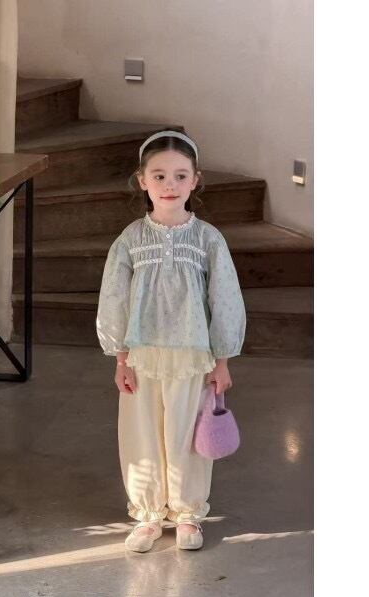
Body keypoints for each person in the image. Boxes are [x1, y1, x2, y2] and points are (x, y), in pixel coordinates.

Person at [96, 130, 246, 553]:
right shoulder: (130, 239)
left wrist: (222, 360)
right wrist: (120, 358)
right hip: (142, 355)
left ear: (195, 180)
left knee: (185, 434)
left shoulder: (208, 239)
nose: (169, 185)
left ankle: (187, 514)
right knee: (141, 433)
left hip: (192, 356)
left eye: (180, 176)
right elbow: (114, 299)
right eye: (159, 176)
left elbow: (225, 299)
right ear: (142, 180)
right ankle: (148, 516)